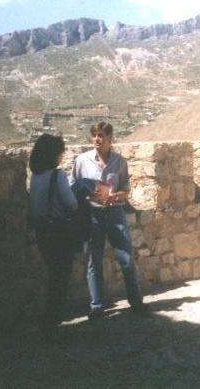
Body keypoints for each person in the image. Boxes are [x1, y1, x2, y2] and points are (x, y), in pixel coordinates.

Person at [73, 121, 148, 318]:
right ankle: (97, 306)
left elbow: (126, 190)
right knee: (93, 261)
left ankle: (136, 302)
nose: (97, 139)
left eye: (101, 135)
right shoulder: (81, 161)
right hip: (92, 215)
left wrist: (114, 196)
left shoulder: (120, 162)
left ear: (110, 138)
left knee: (126, 259)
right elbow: (75, 188)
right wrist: (89, 197)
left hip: (115, 213)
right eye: (95, 135)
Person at [28, 133, 79, 329]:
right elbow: (72, 204)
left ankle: (50, 321)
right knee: (61, 279)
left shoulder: (35, 177)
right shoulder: (58, 176)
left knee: (54, 275)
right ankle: (52, 322)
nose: (62, 156)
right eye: (60, 152)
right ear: (53, 154)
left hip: (43, 232)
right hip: (59, 233)